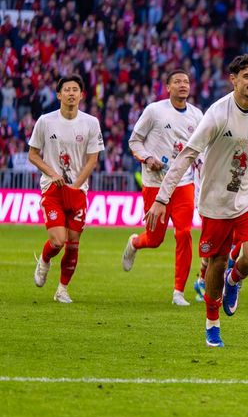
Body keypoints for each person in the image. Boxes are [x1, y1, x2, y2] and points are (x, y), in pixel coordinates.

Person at [144, 54, 248, 347]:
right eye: (247, 77)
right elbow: (187, 155)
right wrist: (162, 197)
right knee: (215, 261)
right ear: (233, 80)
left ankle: (233, 279)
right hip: (216, 199)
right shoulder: (217, 113)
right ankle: (212, 324)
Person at [122, 70, 203, 306]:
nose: (183, 85)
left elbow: (201, 148)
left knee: (184, 233)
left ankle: (179, 292)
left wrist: (201, 164)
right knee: (154, 239)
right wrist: (148, 158)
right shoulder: (154, 111)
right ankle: (135, 243)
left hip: (183, 183)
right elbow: (134, 141)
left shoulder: (197, 115)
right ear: (167, 87)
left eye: (186, 81)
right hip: (155, 184)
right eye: (177, 81)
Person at [30, 75, 104, 303]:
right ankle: (44, 261)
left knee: (73, 244)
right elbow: (33, 155)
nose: (71, 93)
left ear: (82, 95)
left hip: (78, 190)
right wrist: (52, 174)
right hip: (52, 189)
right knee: (58, 241)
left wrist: (76, 185)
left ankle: (62, 289)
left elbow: (93, 159)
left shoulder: (91, 123)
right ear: (58, 95)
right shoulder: (45, 121)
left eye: (75, 89)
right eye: (67, 89)